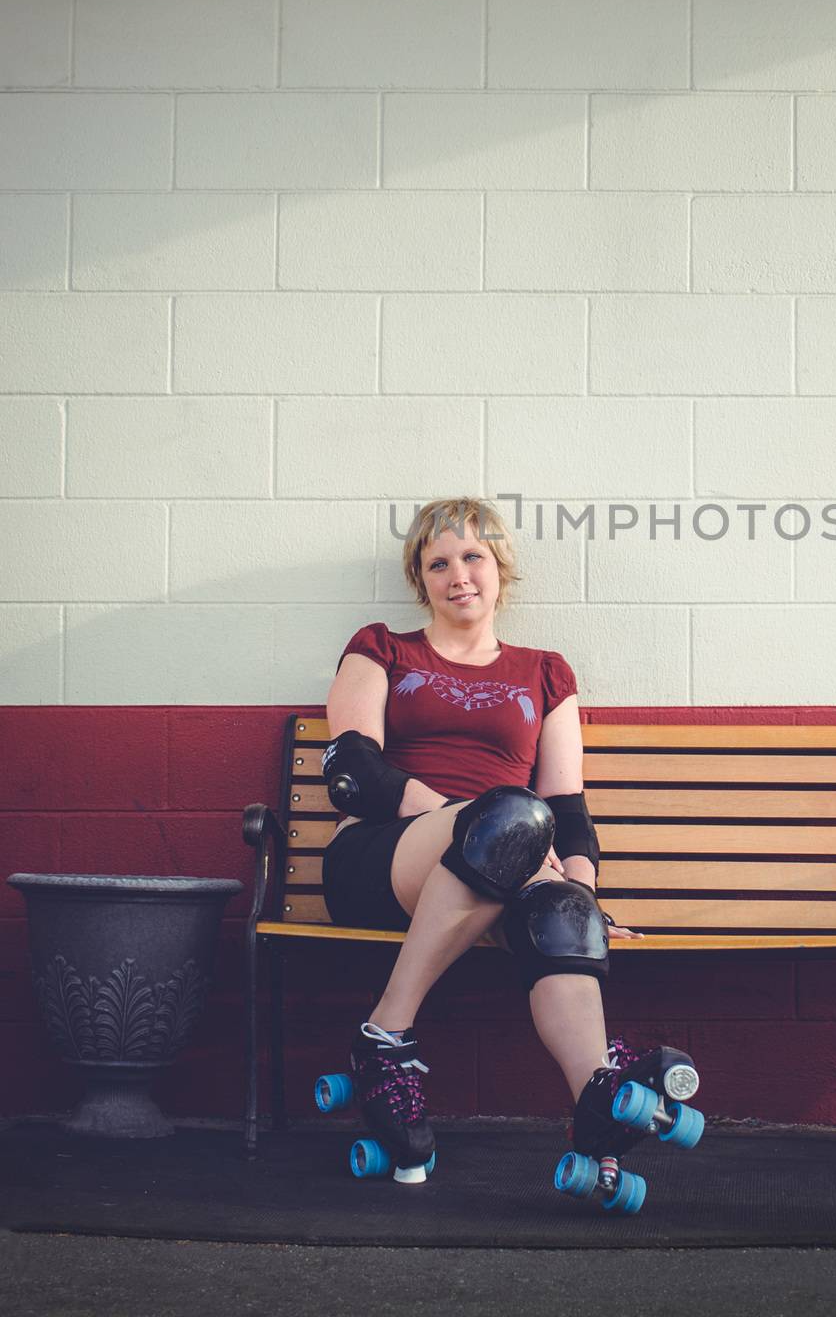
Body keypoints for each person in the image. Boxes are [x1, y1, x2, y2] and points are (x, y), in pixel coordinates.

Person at [321, 494, 692, 1189]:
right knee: (510, 820)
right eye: (438, 562)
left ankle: (600, 1100)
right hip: (383, 855)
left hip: (508, 856)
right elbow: (352, 769)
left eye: (472, 557)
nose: (457, 574)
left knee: (566, 904)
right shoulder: (381, 649)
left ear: (500, 571)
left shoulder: (545, 672)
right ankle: (384, 1037)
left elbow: (568, 809)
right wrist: (474, 818)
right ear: (420, 578)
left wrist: (577, 887)